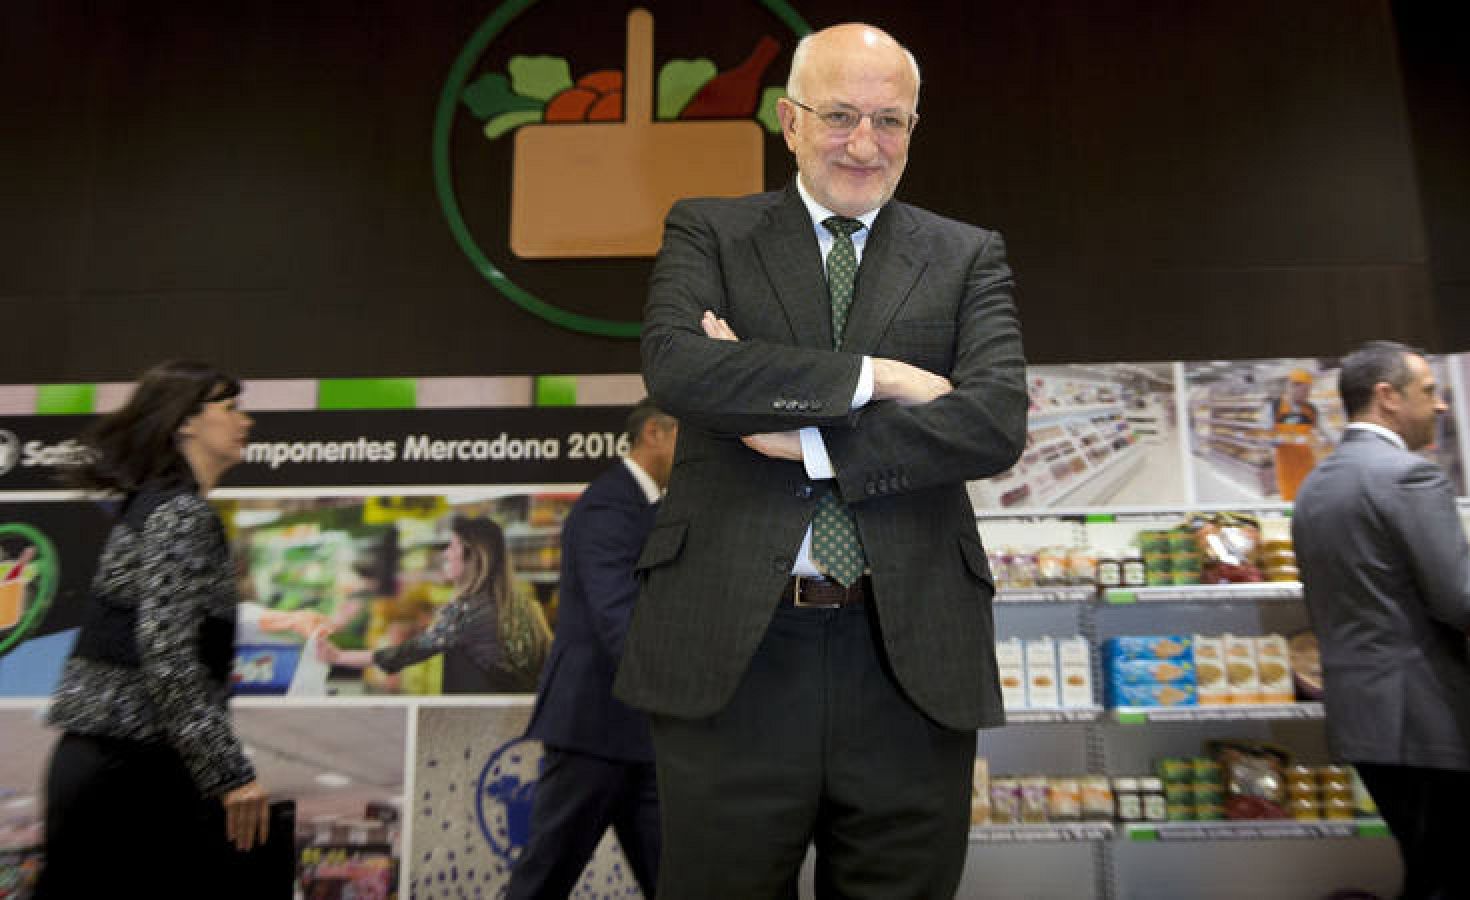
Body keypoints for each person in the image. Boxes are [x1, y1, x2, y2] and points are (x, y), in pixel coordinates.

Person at [613, 23, 1027, 899]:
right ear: (788, 121)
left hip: (910, 658)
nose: (866, 144)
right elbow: (684, 371)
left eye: (891, 120)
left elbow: (992, 424)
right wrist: (890, 378)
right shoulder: (711, 233)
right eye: (840, 115)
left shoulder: (965, 255)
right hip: (733, 655)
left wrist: (810, 437)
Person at [1292, 341, 1470, 900]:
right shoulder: (1409, 476)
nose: (1441, 405)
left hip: (1363, 718)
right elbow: (1460, 598)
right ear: (1386, 397)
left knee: (1426, 873)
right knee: (1458, 882)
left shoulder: (1313, 489)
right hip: (1426, 717)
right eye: (1428, 391)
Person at [37, 360, 272, 898]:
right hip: (128, 776)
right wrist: (230, 772)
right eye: (230, 407)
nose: (246, 421)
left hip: (114, 767)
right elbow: (167, 655)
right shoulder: (181, 514)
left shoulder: (155, 507)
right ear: (186, 421)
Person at [505, 400, 677, 899]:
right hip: (593, 732)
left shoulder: (652, 506)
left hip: (641, 735)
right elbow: (616, 614)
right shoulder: (608, 504)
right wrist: (678, 689)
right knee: (542, 880)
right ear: (655, 434)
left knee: (676, 880)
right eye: (687, 435)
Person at [318, 515, 550, 694]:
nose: (445, 554)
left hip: (475, 719)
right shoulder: (526, 606)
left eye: (452, 547)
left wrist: (340, 657)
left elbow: (409, 652)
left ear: (473, 557)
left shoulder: (470, 612)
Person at [1269, 367, 1332, 501]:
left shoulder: (1311, 410)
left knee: (1309, 501)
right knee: (1289, 507)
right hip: (1286, 470)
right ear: (1292, 387)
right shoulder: (1274, 408)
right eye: (1304, 391)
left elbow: (1329, 432)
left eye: (1309, 391)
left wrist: (1346, 440)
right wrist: (1282, 439)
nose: (1307, 395)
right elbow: (1263, 435)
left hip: (1308, 467)